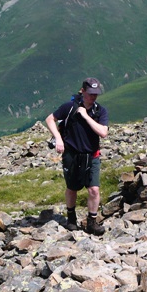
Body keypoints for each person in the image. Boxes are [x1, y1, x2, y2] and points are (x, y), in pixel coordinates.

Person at [45, 77, 109, 235]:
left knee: (94, 189)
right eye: (90, 93)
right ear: (83, 91)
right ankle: (71, 219)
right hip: (72, 154)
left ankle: (92, 223)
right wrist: (58, 138)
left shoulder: (100, 111)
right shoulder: (69, 107)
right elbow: (50, 119)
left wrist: (86, 116)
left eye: (95, 94)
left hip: (91, 155)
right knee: (72, 188)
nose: (93, 97)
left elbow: (103, 132)